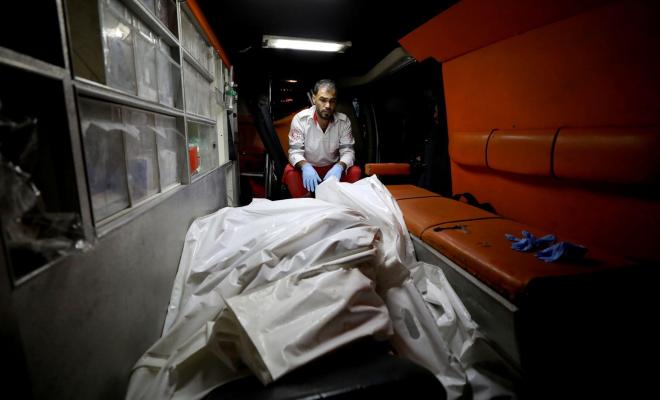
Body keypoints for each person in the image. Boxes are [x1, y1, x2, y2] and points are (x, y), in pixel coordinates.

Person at [283, 79, 361, 197]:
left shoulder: (343, 121)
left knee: (355, 171)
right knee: (289, 172)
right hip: (308, 167)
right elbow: (294, 152)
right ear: (314, 99)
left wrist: (339, 167)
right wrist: (305, 166)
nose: (328, 106)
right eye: (323, 100)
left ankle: (338, 201)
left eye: (332, 101)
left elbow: (348, 151)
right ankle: (306, 201)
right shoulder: (300, 119)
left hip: (332, 168)